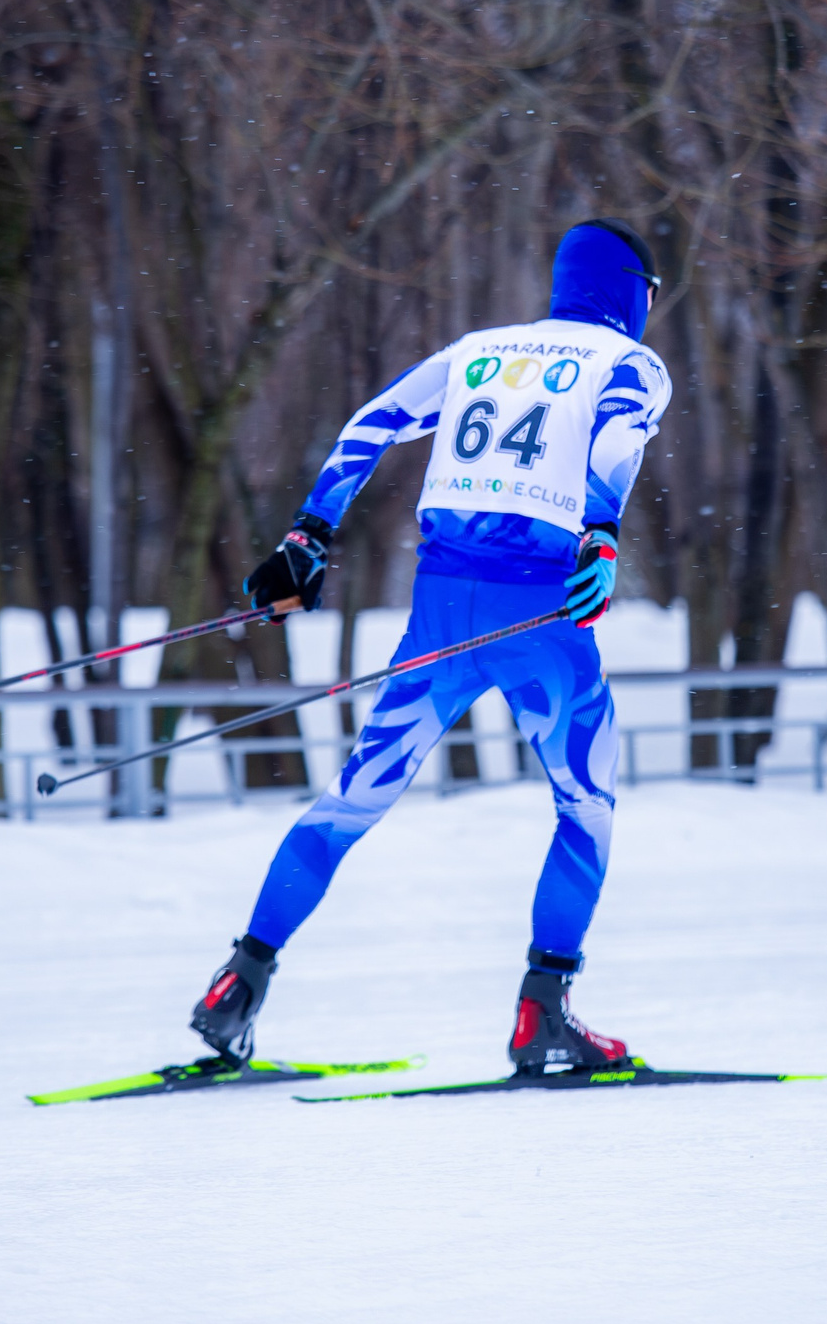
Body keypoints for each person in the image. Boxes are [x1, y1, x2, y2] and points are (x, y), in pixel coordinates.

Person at [188, 218, 673, 1073]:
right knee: (585, 806)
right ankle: (544, 1010)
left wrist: (308, 535)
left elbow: (372, 424)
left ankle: (242, 980)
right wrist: (600, 532)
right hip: (541, 611)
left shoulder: (480, 350)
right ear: (633, 291)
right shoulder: (628, 364)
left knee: (352, 799)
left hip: (442, 603)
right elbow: (620, 436)